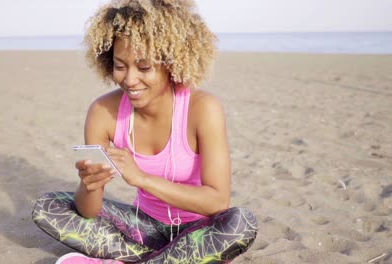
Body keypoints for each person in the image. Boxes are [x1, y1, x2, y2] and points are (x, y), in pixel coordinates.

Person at [32, 0, 258, 263]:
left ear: (170, 62)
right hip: (142, 229)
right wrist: (89, 184)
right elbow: (89, 212)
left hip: (199, 231)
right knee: (48, 206)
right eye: (120, 66)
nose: (129, 79)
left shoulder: (203, 108)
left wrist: (141, 178)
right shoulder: (102, 112)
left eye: (144, 67)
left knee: (241, 222)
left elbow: (217, 202)